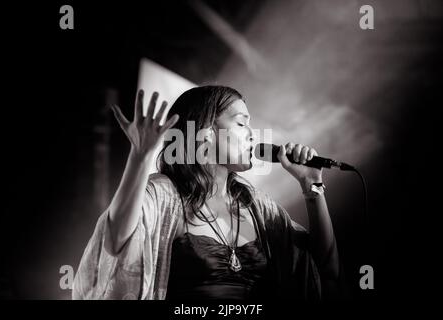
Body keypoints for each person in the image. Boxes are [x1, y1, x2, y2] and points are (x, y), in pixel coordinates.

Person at [72, 86, 340, 300]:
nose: (251, 134)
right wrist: (139, 157)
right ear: (206, 132)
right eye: (240, 123)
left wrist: (311, 186)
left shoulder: (258, 206)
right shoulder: (166, 194)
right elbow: (117, 241)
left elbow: (324, 269)